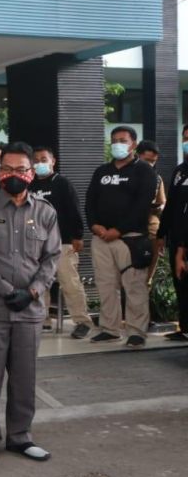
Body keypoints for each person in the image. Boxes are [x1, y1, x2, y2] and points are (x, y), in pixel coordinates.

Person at [0, 142, 61, 463]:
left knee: (24, 378)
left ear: (31, 173)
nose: (13, 175)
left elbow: (52, 258)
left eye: (20, 169)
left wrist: (32, 292)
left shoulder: (45, 212)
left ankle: (21, 437)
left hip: (29, 311)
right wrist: (7, 290)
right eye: (7, 169)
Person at [86, 126, 157, 348]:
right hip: (101, 238)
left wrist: (119, 230)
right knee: (106, 286)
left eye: (123, 140)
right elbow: (90, 201)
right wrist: (94, 225)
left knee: (135, 287)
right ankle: (110, 329)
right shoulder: (101, 171)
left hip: (131, 238)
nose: (118, 144)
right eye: (114, 140)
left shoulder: (144, 171)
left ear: (133, 144)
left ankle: (136, 332)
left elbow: (142, 205)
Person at [29, 147, 93, 339]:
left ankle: (82, 322)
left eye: (44, 159)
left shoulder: (62, 183)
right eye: (36, 160)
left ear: (53, 161)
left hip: (62, 242)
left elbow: (74, 209)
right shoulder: (30, 185)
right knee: (39, 283)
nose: (39, 163)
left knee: (70, 283)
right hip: (36, 243)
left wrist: (78, 236)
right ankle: (42, 320)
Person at [158, 125, 188, 341]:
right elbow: (170, 206)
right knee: (181, 284)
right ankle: (184, 327)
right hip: (176, 237)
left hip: (185, 242)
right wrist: (161, 233)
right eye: (185, 138)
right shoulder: (179, 171)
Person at [135, 140, 166, 286]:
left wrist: (159, 207)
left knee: (147, 275)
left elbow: (162, 202)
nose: (150, 165)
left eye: (153, 162)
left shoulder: (157, 179)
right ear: (137, 156)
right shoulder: (126, 176)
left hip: (151, 229)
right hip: (128, 230)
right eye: (146, 160)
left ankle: (146, 285)